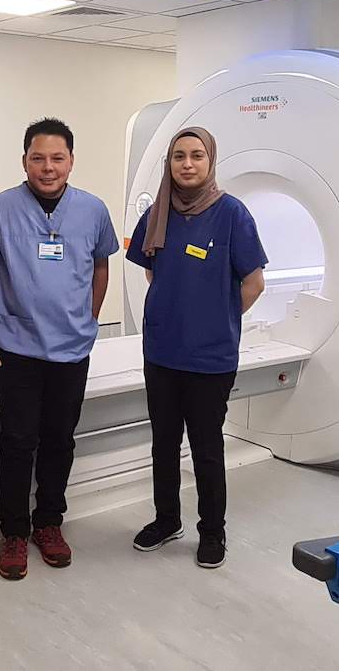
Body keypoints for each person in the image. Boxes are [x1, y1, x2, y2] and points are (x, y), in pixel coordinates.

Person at [0, 118, 120, 581]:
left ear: (72, 161)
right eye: (38, 158)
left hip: (71, 350)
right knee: (16, 442)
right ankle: (13, 532)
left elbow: (101, 267)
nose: (48, 167)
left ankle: (49, 523)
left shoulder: (92, 211)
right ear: (24, 161)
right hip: (17, 347)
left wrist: (89, 320)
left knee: (60, 440)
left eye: (57, 158)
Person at [124, 127, 266, 570]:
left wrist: (215, 318)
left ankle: (212, 531)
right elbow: (154, 274)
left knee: (206, 447)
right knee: (163, 444)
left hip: (210, 358)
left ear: (211, 161)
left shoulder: (232, 214)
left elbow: (254, 282)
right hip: (162, 352)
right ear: (169, 163)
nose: (187, 164)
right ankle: (167, 519)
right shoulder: (156, 214)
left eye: (197, 155)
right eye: (179, 156)